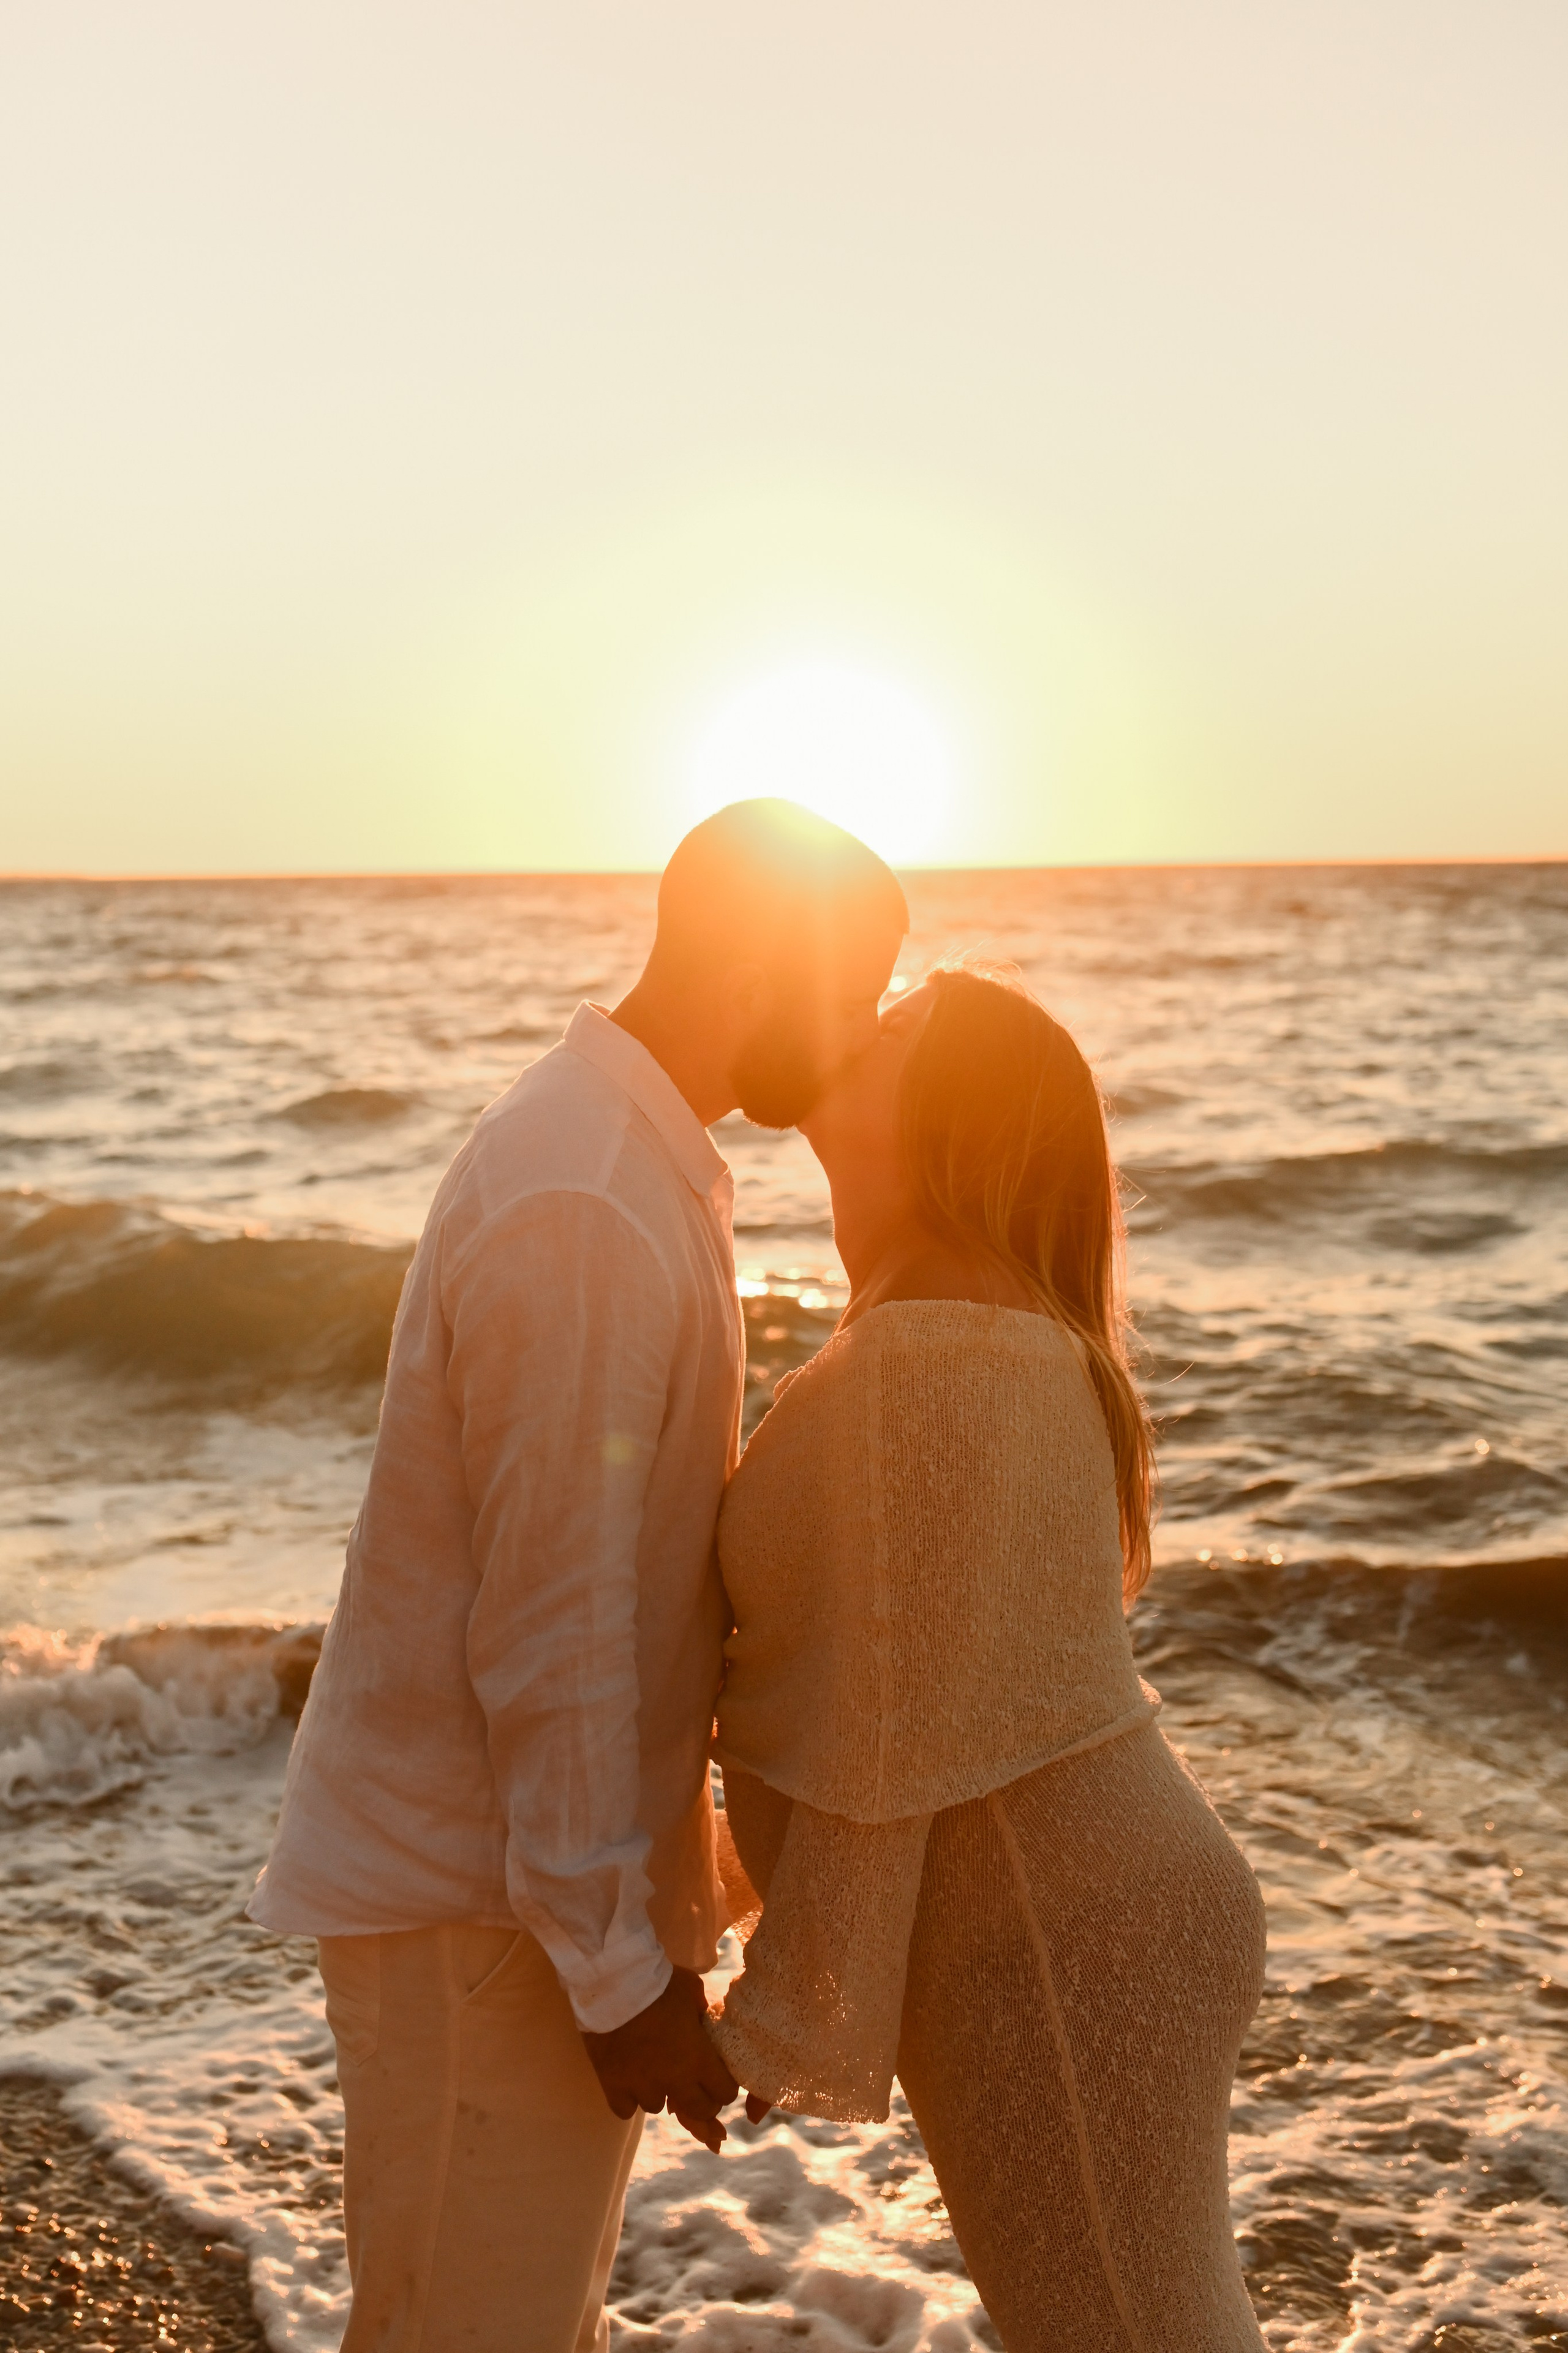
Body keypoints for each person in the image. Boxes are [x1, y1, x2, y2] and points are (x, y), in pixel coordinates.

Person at [248, 799, 908, 2353]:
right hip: (487, 1915)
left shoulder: (627, 1162)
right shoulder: (586, 1202)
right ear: (759, 964)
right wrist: (618, 1975)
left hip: (515, 1898)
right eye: (857, 984)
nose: (868, 1029)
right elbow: (552, 1631)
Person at [708, 962, 1268, 2353]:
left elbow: (887, 1730)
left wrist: (773, 2012)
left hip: (1058, 1938)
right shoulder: (967, 1322)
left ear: (950, 1117)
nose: (851, 1015)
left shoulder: (930, 1353)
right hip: (1081, 1905)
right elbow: (907, 1689)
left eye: (891, 1022)